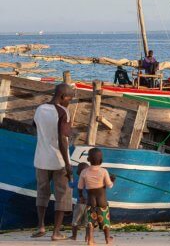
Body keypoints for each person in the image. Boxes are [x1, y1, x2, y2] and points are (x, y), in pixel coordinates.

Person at [32, 83, 74, 241]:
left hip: (41, 159)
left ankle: (41, 226)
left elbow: (36, 127)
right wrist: (68, 165)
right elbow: (63, 140)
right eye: (70, 98)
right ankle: (56, 233)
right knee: (62, 195)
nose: (70, 102)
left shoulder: (40, 109)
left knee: (42, 193)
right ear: (63, 97)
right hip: (59, 161)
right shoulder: (63, 112)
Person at [78, 147, 115, 245]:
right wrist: (112, 181)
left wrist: (81, 196)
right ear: (101, 161)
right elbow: (109, 185)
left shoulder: (84, 172)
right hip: (102, 201)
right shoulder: (104, 171)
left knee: (90, 221)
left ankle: (90, 239)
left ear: (88, 160)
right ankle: (107, 238)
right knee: (105, 221)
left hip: (91, 201)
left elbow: (80, 187)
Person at [69, 162, 89, 241]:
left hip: (79, 204)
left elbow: (70, 185)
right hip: (89, 204)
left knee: (75, 221)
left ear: (79, 172)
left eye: (78, 169)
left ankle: (74, 236)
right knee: (88, 222)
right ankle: (87, 237)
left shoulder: (78, 179)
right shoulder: (90, 180)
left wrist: (69, 177)